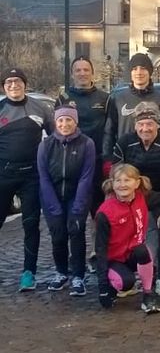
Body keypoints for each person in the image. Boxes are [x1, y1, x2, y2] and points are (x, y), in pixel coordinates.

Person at [113, 101, 160, 295]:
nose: (145, 128)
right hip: (130, 195)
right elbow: (116, 175)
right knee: (125, 233)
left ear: (157, 124)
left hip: (158, 195)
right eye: (141, 124)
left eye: (150, 124)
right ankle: (127, 275)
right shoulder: (125, 142)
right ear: (135, 125)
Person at [0, 67, 54, 292]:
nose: (14, 85)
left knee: (31, 225)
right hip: (3, 174)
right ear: (4, 87)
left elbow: (55, 136)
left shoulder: (40, 107)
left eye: (18, 81)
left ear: (25, 84)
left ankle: (28, 272)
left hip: (31, 175)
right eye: (9, 82)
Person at [38, 106, 95, 297]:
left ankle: (78, 275)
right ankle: (61, 272)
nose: (64, 124)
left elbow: (86, 176)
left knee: (76, 232)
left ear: (75, 122)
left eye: (68, 120)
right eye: (60, 120)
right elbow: (43, 177)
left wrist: (78, 206)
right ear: (55, 122)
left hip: (77, 195)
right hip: (52, 196)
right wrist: (53, 207)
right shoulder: (46, 145)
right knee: (58, 236)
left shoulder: (86, 143)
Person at [95, 163, 160, 314]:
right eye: (118, 181)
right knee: (126, 282)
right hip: (113, 259)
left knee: (143, 251)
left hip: (132, 253)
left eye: (127, 180)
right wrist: (103, 288)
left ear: (137, 183)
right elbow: (100, 250)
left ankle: (148, 295)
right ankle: (112, 286)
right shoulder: (104, 213)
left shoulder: (142, 197)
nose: (122, 184)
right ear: (112, 184)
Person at [56, 56, 109, 219]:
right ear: (72, 74)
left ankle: (98, 234)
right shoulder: (63, 98)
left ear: (92, 73)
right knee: (75, 210)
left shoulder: (105, 98)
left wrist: (108, 157)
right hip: (73, 161)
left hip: (98, 160)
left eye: (86, 70)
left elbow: (110, 129)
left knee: (99, 210)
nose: (82, 73)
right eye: (78, 70)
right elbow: (57, 130)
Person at [102, 53, 160, 161]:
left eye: (143, 68)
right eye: (135, 69)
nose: (139, 72)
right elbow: (109, 132)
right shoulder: (118, 99)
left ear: (149, 72)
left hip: (154, 160)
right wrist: (107, 159)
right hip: (125, 160)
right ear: (130, 73)